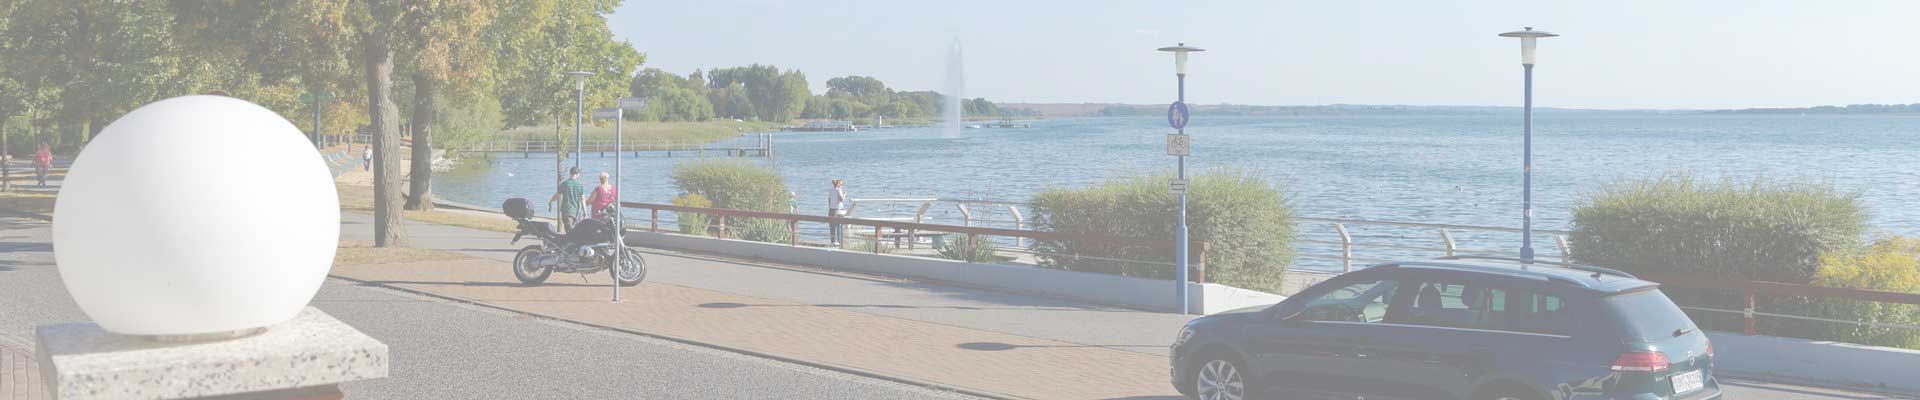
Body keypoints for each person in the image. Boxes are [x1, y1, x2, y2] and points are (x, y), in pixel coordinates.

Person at [549, 167, 587, 233]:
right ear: (578, 174)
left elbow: (557, 196)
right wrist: (585, 211)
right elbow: (583, 199)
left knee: (569, 232)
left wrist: (550, 201)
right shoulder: (580, 185)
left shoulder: (564, 184)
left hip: (566, 211)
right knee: (574, 232)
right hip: (576, 212)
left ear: (570, 173)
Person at [828, 179, 848, 245]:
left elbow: (829, 200)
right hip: (838, 209)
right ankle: (839, 242)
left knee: (832, 227)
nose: (842, 186)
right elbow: (841, 199)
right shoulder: (839, 190)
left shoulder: (831, 190)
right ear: (838, 184)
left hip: (831, 209)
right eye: (841, 184)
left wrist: (831, 207)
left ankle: (832, 242)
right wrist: (845, 194)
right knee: (839, 226)